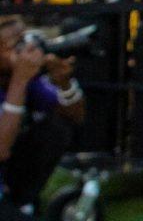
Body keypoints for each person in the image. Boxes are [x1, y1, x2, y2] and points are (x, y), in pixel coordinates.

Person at [0, 16, 86, 217]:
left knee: (58, 127)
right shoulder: (21, 77)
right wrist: (20, 80)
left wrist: (64, 83)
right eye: (15, 44)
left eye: (26, 39)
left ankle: (21, 201)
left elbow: (76, 116)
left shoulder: (28, 79)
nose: (25, 49)